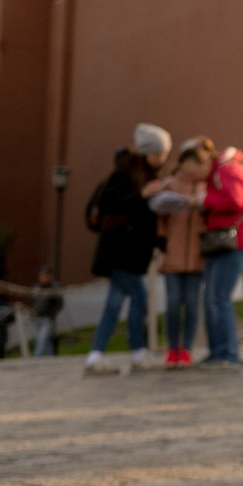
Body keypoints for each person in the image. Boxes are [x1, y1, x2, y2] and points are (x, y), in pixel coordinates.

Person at [84, 136, 164, 374]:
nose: (162, 159)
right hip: (119, 250)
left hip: (128, 252)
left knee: (114, 304)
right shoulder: (126, 173)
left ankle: (96, 355)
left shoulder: (144, 175)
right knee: (139, 296)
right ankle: (138, 353)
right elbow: (110, 203)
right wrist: (143, 195)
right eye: (158, 154)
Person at [148, 139, 212, 367]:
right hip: (173, 252)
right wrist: (162, 241)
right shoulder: (171, 184)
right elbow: (158, 214)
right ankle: (172, 346)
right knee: (173, 302)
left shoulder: (207, 187)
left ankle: (186, 347)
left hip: (197, 254)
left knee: (192, 303)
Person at [198, 145, 243, 368]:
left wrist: (204, 200)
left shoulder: (226, 169)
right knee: (211, 297)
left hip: (237, 242)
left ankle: (228, 354)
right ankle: (217, 352)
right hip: (222, 242)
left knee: (219, 297)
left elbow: (236, 201)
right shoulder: (220, 170)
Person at [29, 266, 64, 358]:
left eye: (46, 275)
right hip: (37, 318)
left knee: (42, 338)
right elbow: (32, 302)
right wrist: (32, 312)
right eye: (42, 275)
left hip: (48, 318)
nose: (44, 277)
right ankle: (51, 358)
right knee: (46, 340)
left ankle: (36, 357)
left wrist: (51, 314)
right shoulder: (37, 287)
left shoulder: (54, 287)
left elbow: (59, 303)